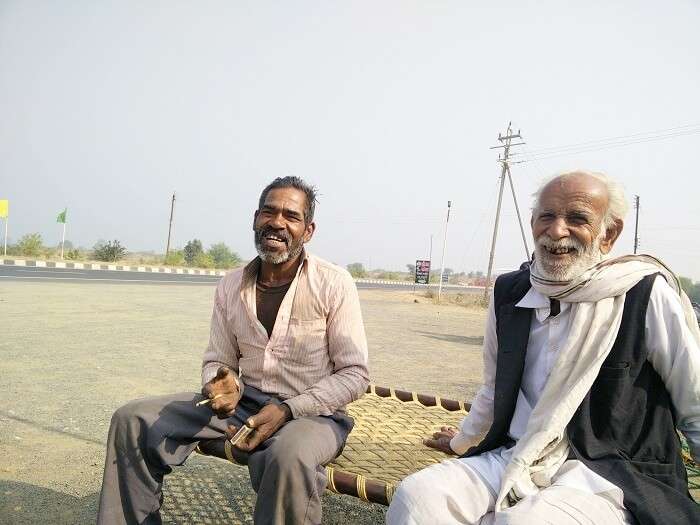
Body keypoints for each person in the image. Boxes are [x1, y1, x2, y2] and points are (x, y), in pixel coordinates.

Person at [387, 170, 700, 525]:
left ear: (608, 234)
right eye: (547, 216)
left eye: (577, 218)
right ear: (533, 222)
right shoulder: (509, 293)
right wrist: (462, 442)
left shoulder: (642, 294)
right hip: (517, 454)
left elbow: (695, 404)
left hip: (610, 476)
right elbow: (492, 390)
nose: (557, 231)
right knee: (418, 498)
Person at [97, 176, 370, 525]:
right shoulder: (231, 284)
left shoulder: (334, 283)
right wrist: (221, 384)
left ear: (308, 230)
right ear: (255, 218)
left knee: (289, 456)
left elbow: (355, 375)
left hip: (312, 414)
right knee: (132, 419)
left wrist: (287, 410)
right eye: (269, 212)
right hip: (243, 407)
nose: (277, 222)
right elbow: (219, 360)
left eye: (291, 215)